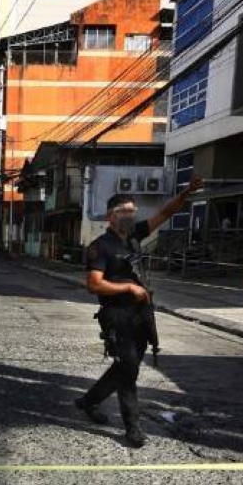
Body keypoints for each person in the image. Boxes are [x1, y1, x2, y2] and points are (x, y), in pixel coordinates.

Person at [75, 176, 204, 448]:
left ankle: (89, 401)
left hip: (141, 316)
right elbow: (93, 284)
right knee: (129, 369)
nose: (129, 216)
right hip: (117, 315)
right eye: (124, 212)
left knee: (126, 366)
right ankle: (132, 427)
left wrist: (187, 191)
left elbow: (167, 212)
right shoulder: (100, 246)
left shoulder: (135, 236)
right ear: (110, 216)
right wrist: (127, 290)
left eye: (132, 211)